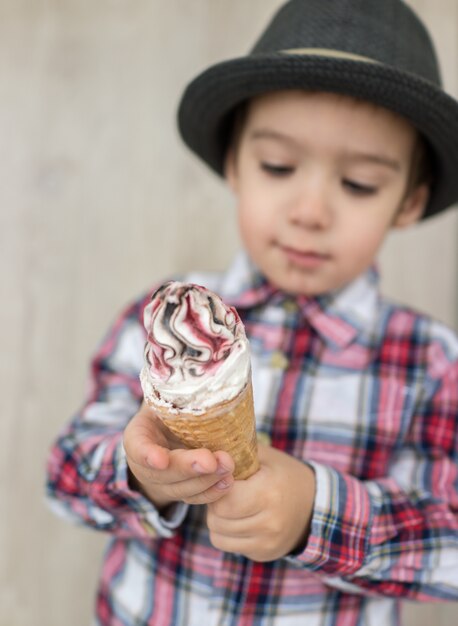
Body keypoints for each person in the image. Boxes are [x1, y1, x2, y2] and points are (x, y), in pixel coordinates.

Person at [46, 1, 458, 624]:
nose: (310, 210)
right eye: (278, 167)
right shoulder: (163, 323)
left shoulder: (430, 361)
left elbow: (448, 546)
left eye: (360, 184)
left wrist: (316, 513)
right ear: (235, 164)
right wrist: (143, 475)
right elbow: (65, 479)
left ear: (408, 203)